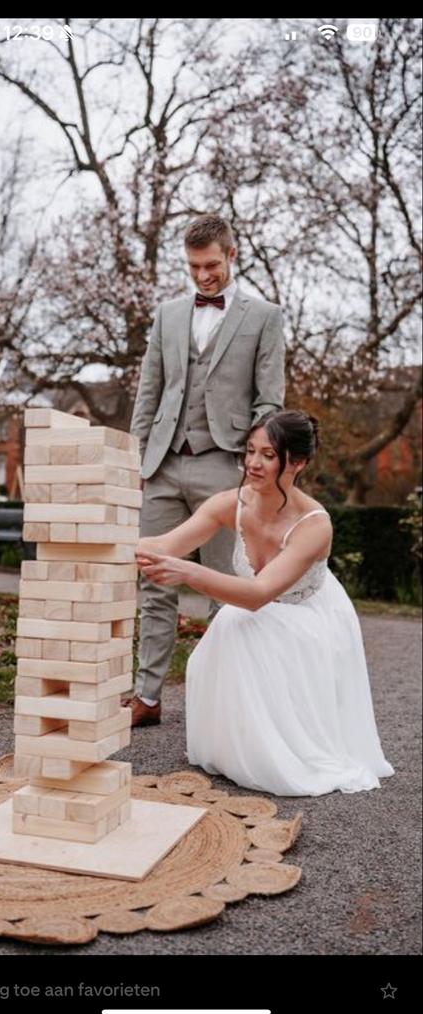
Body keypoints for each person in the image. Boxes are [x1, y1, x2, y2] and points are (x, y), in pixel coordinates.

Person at [136, 410, 394, 797]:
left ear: (299, 462)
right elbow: (164, 545)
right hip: (260, 605)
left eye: (268, 455)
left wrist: (187, 574)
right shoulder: (230, 503)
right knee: (230, 624)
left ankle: (279, 748)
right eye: (250, 451)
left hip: (306, 616)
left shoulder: (314, 524)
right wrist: (98, 542)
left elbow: (258, 595)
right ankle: (237, 747)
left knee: (241, 622)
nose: (253, 463)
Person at [127, 213, 285, 726]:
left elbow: (270, 402)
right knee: (154, 581)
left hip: (225, 467)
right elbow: (149, 391)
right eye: (194, 267)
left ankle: (219, 705)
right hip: (164, 465)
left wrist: (253, 468)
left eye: (211, 265)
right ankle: (146, 698)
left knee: (222, 587)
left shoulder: (264, 316)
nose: (203, 276)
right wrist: (137, 460)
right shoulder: (168, 314)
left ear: (231, 255)